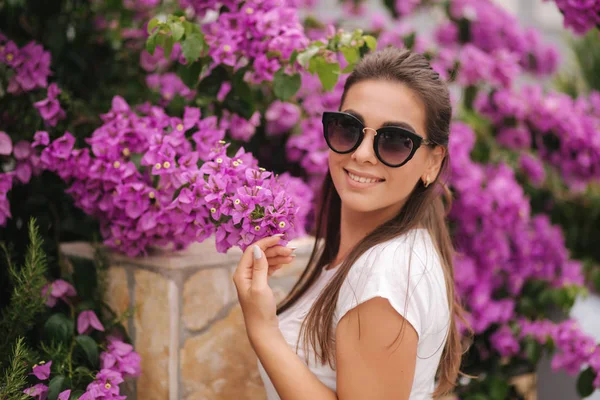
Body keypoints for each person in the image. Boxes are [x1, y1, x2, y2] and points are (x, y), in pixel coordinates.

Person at [233, 46, 465, 400]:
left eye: (396, 141)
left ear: (432, 163)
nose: (361, 154)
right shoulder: (373, 254)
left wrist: (262, 328)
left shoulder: (383, 277)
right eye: (348, 128)